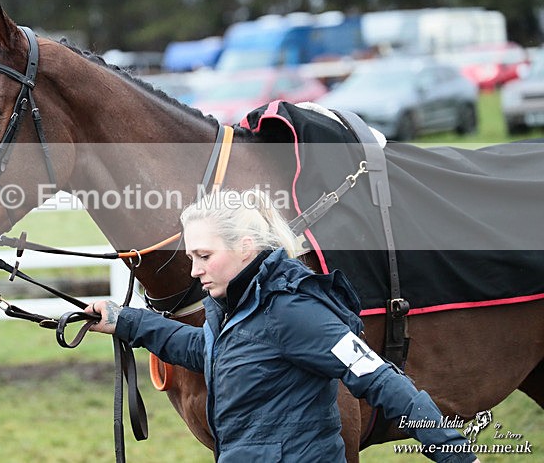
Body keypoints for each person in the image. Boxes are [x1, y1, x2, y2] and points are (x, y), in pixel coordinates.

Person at [87, 188, 479, 462]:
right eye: (191, 257)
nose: (195, 270)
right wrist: (123, 320)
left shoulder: (295, 311)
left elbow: (378, 378)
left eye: (204, 256)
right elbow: (206, 348)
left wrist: (455, 453)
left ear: (245, 247)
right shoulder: (229, 308)